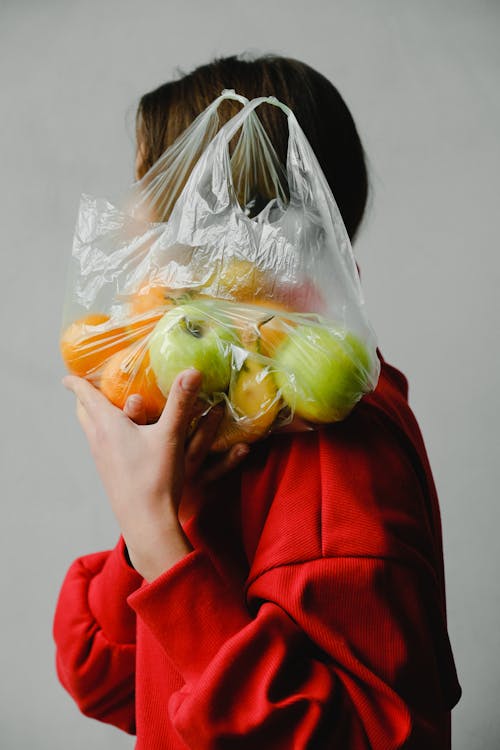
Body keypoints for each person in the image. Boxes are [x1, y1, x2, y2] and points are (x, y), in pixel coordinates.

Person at [54, 55, 461, 749]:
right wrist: (153, 529)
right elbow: (108, 678)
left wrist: (157, 536)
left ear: (221, 221)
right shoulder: (250, 421)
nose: (125, 219)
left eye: (147, 184)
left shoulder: (335, 454)